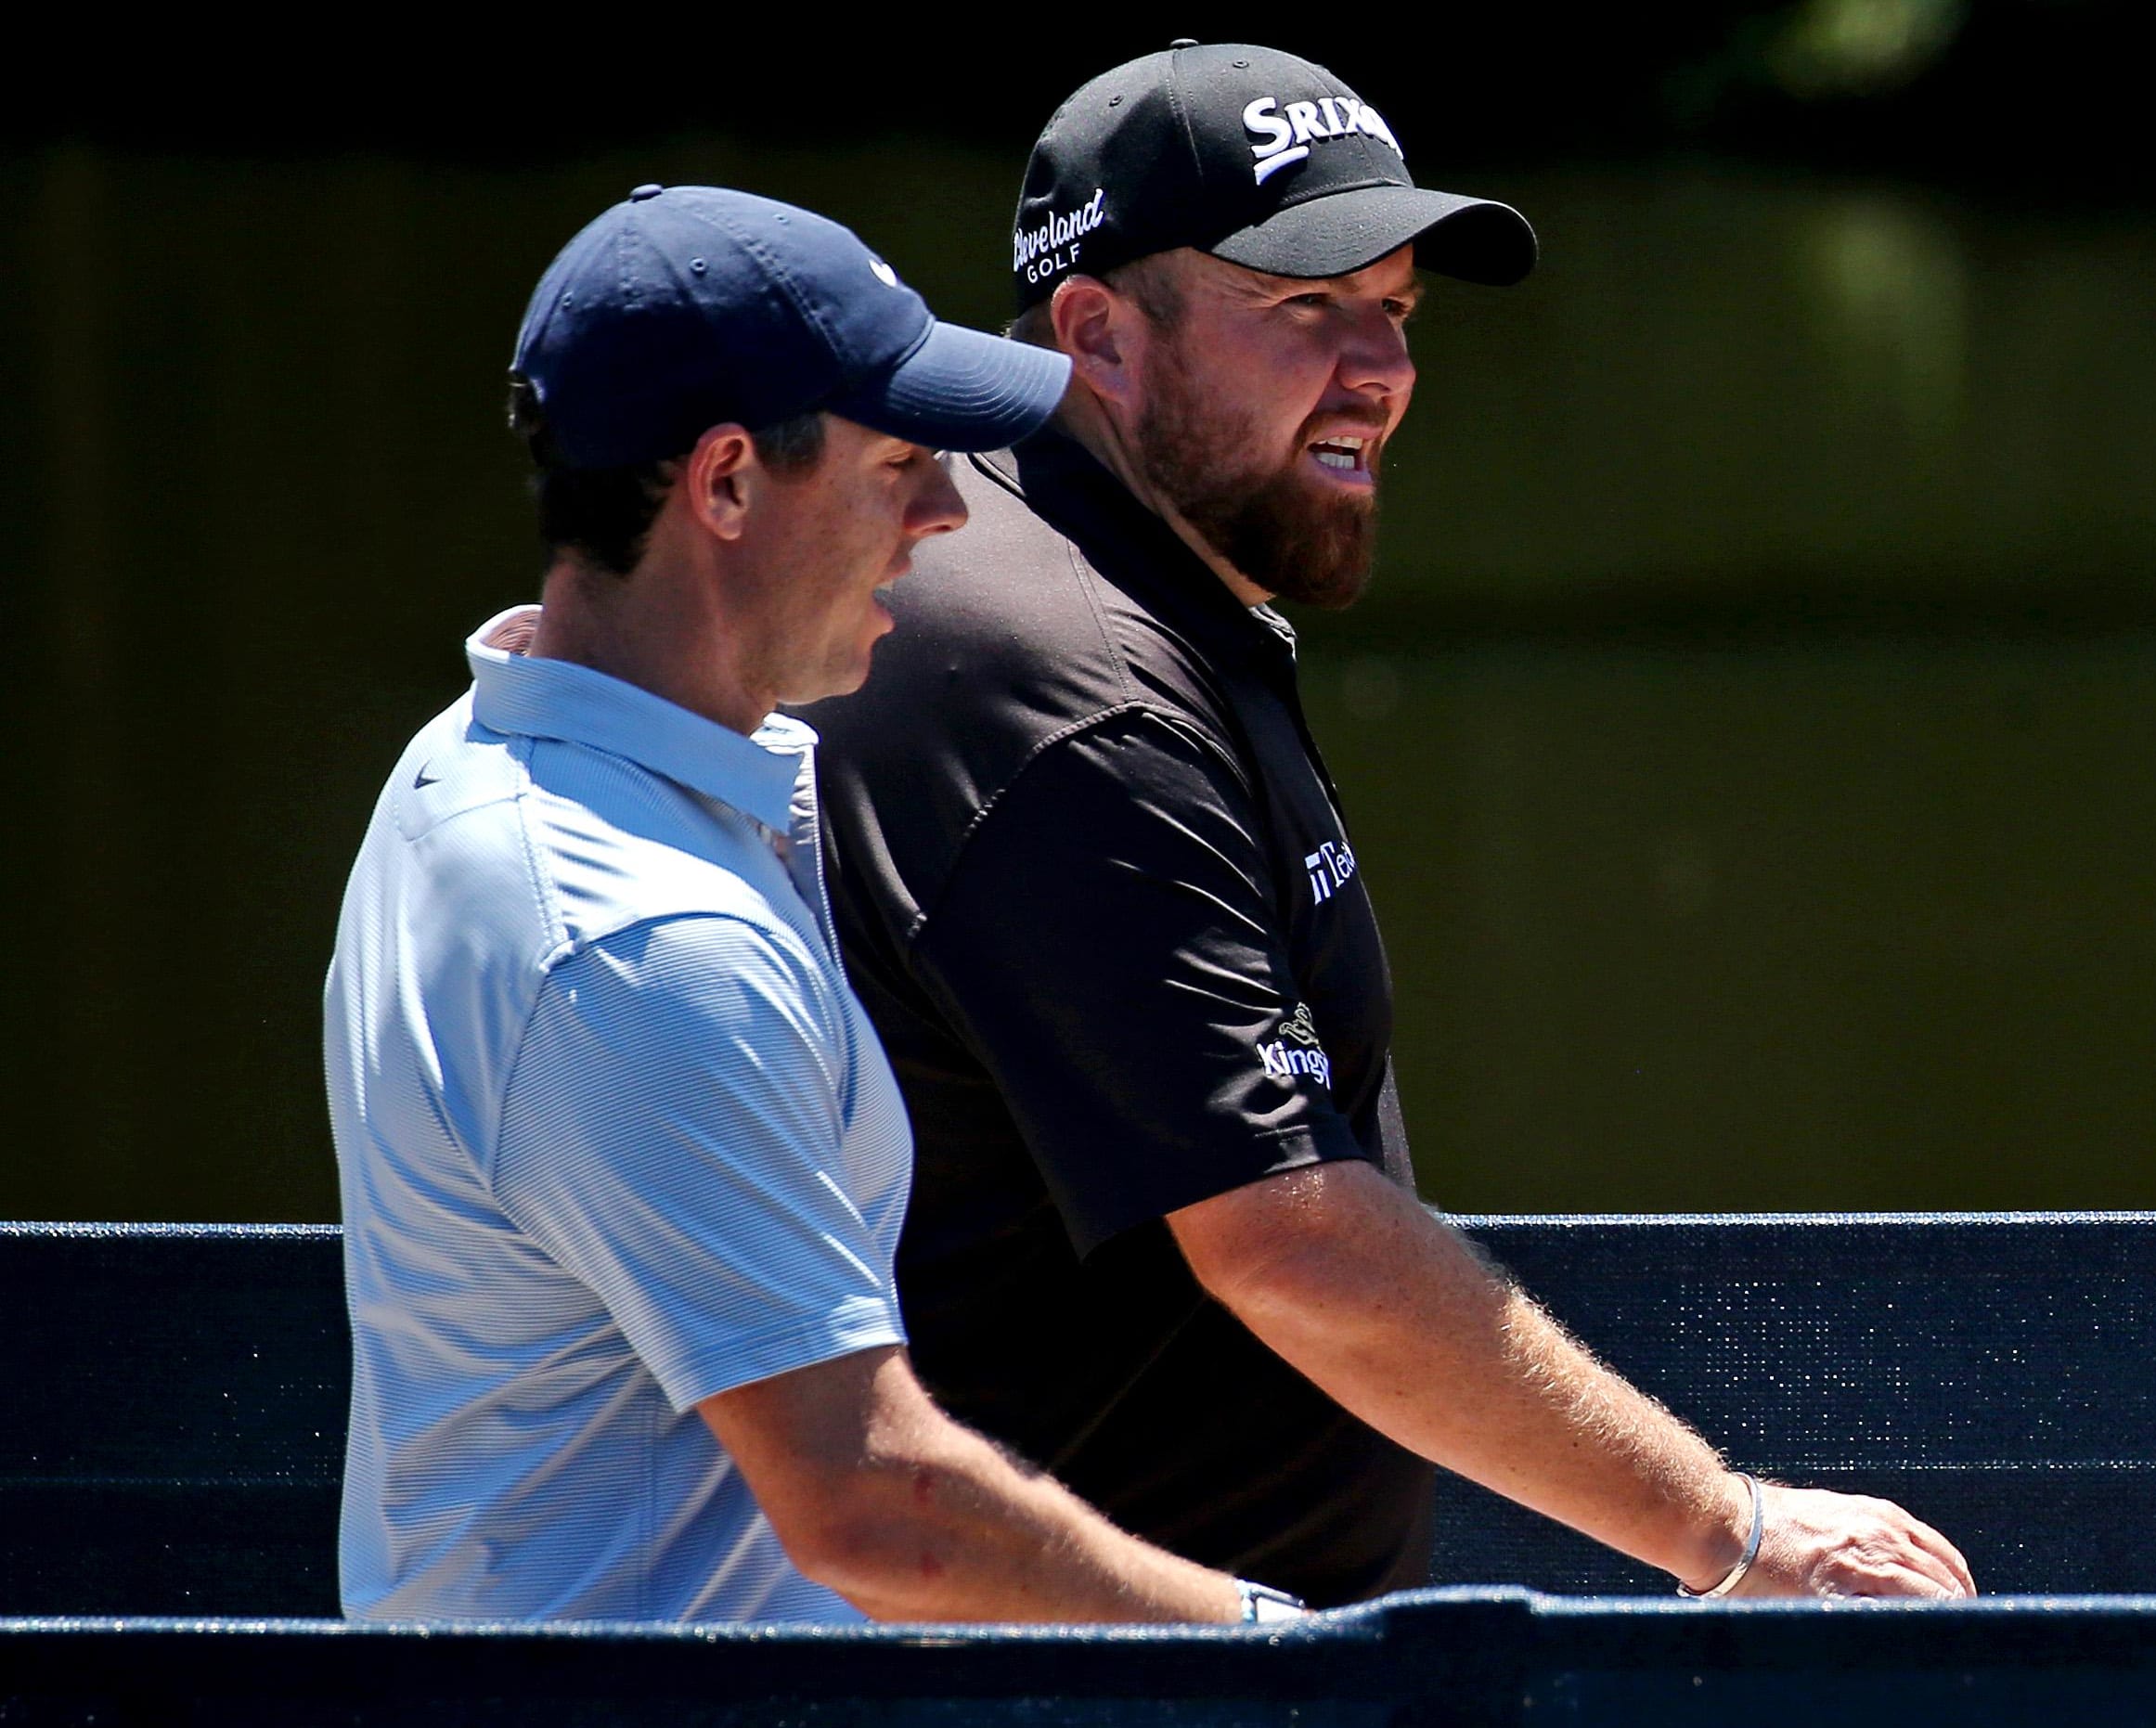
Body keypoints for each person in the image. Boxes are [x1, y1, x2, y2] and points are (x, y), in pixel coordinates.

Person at [800, 44, 1977, 1606]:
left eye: (1398, 311)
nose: (1384, 370)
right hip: (1101, 1689)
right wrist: (1730, 1532)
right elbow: (1282, 1237)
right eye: (1303, 308)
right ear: (1098, 336)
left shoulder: (1083, 582)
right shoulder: (1068, 690)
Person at [323, 184, 1298, 1625]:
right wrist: (1280, 1650)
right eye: (900, 459)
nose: (948, 511)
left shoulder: (481, 767)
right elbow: (873, 1506)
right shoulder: (636, 941)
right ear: (723, 484)